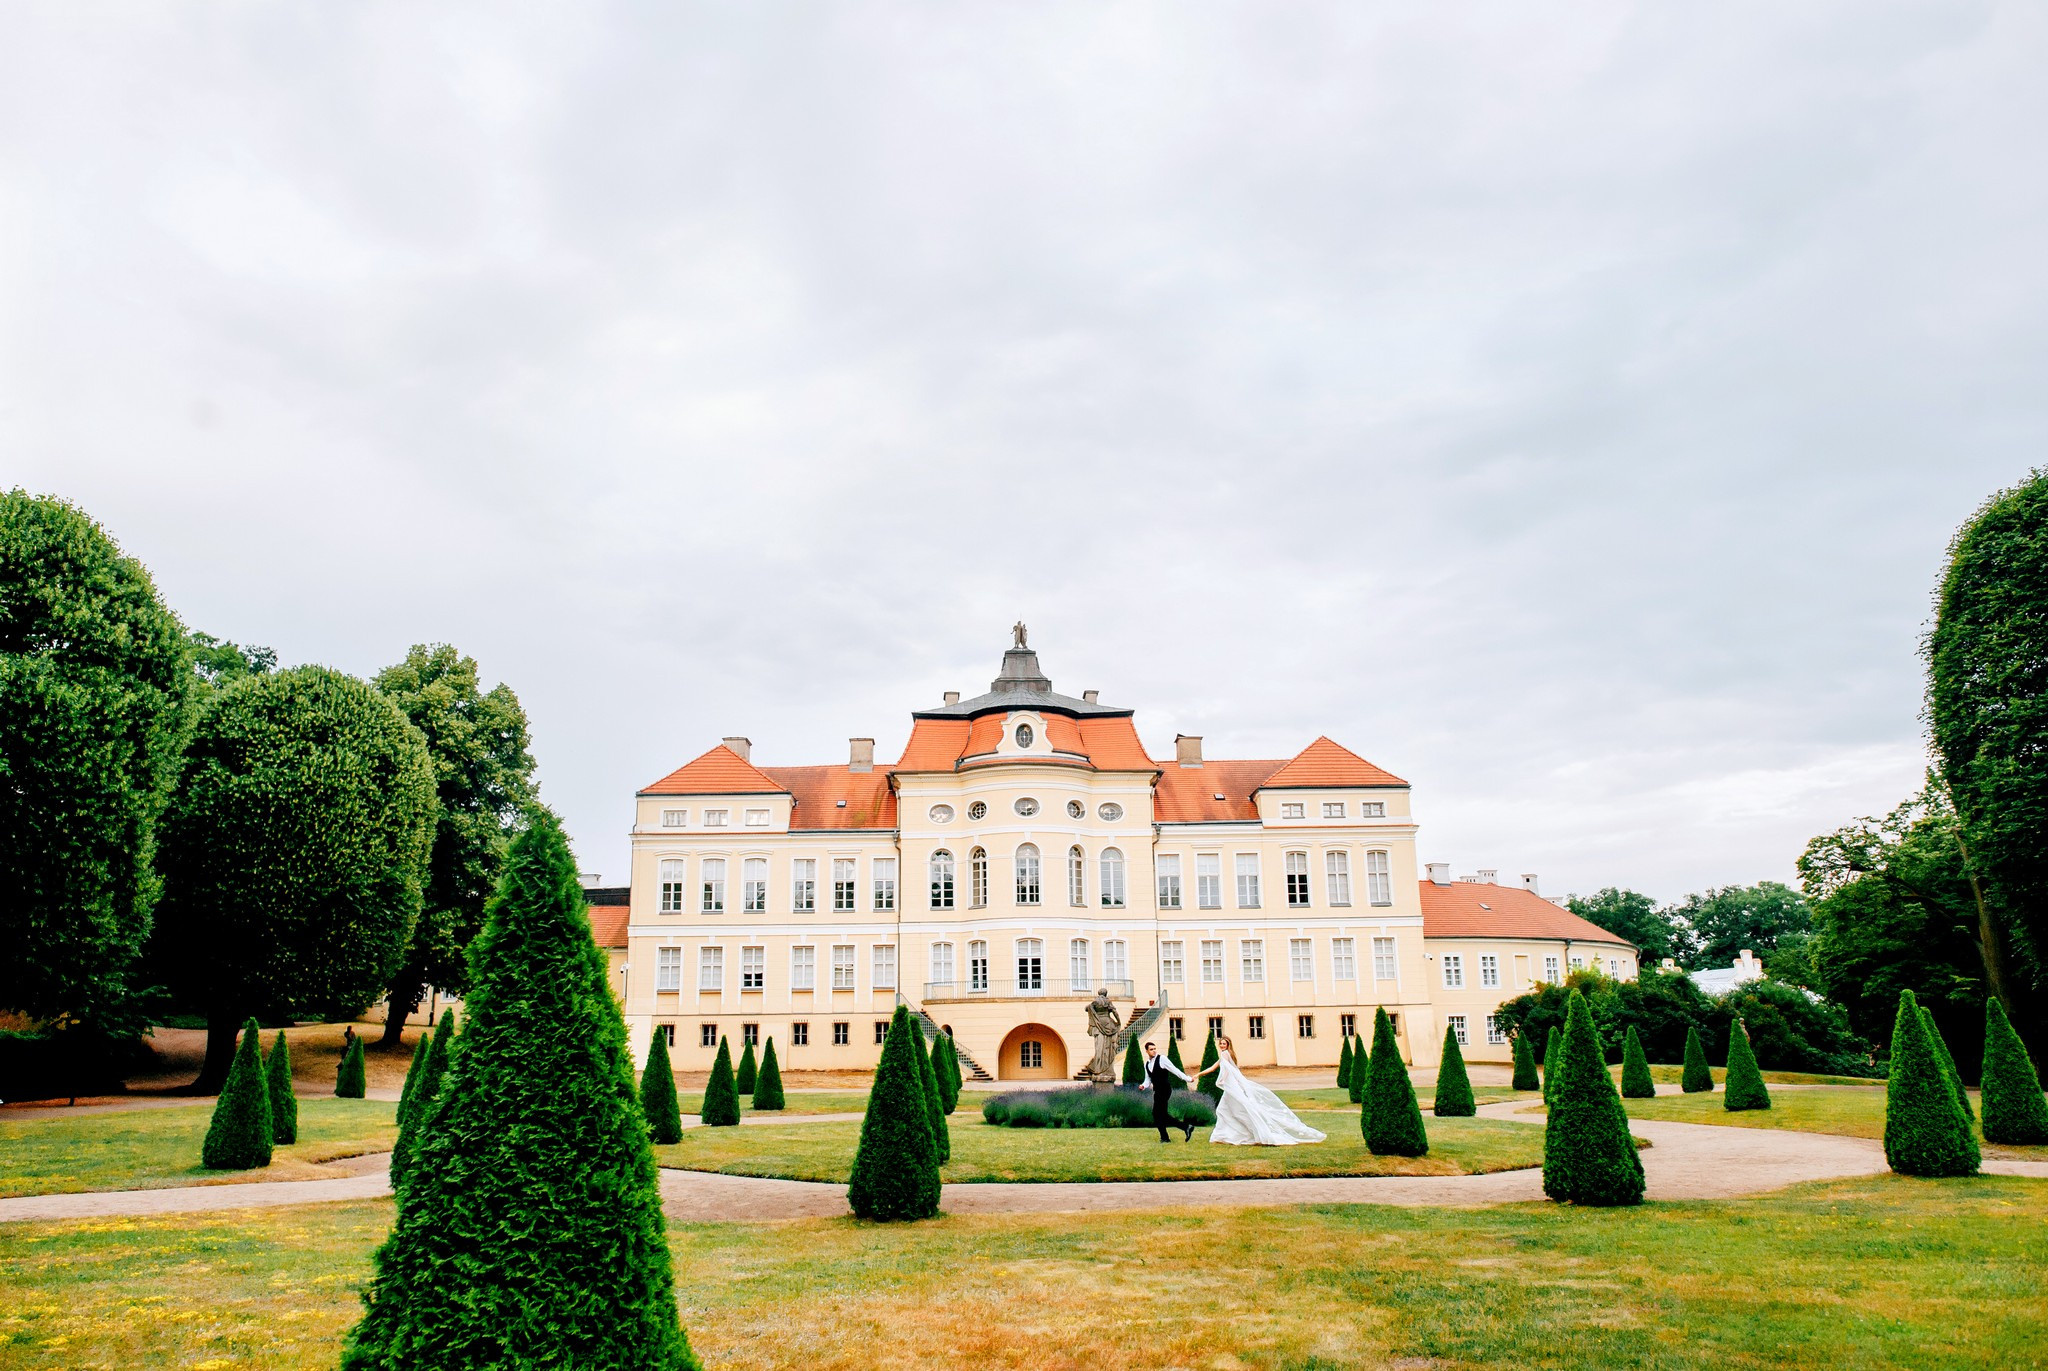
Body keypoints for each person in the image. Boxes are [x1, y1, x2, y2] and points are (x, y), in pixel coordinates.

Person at [1187, 1034, 1325, 1146]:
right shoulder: (1225, 1055)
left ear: (1228, 1045)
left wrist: (1222, 1080)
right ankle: (1224, 1135)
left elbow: (1227, 1071)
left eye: (1224, 1043)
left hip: (1231, 1088)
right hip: (1231, 1088)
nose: (1222, 1045)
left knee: (1235, 1110)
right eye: (1221, 1043)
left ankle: (1249, 1134)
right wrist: (1198, 1074)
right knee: (1227, 1110)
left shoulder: (1225, 1054)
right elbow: (1213, 1068)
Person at [1140, 1040, 1196, 1142]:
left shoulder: (1162, 1059)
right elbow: (1148, 1079)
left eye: (1154, 1049)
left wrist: (1188, 1079)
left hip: (1165, 1089)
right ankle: (1182, 1129)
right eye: (1151, 1049)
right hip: (1157, 1091)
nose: (1154, 1051)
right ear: (1146, 1051)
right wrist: (1143, 1086)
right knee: (1159, 1115)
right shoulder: (1147, 1064)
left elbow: (1175, 1070)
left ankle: (1167, 1136)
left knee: (1158, 1114)